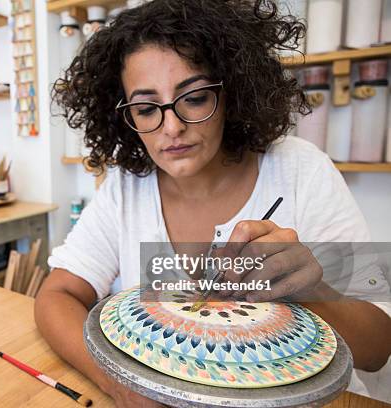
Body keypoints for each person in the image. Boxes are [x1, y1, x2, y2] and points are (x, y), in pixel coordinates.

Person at [35, 0, 391, 406]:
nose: (172, 127)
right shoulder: (126, 188)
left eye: (195, 98)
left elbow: (378, 347)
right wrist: (118, 385)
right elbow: (56, 295)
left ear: (231, 92)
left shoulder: (300, 170)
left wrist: (311, 290)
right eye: (147, 108)